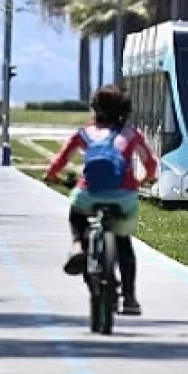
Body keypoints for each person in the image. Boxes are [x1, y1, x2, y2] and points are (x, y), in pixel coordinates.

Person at [44, 84, 156, 316]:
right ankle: (130, 298)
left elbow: (60, 160)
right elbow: (151, 164)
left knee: (77, 212)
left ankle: (77, 245)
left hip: (89, 193)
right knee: (124, 244)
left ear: (95, 108)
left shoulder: (84, 133)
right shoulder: (131, 134)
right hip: (124, 196)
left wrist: (52, 176)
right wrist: (144, 180)